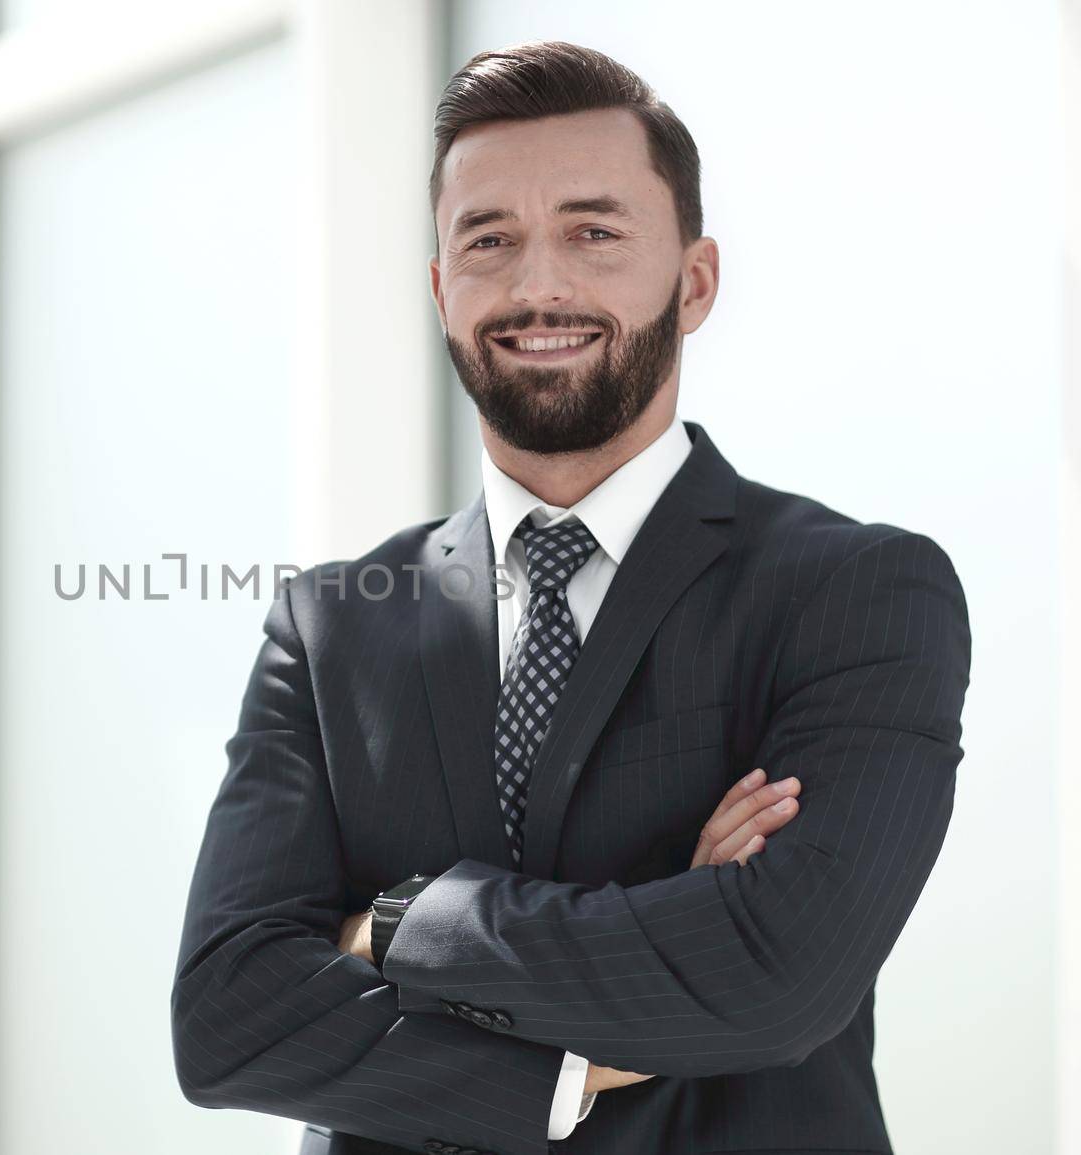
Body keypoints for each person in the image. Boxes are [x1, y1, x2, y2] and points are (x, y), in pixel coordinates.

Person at [171, 40, 970, 1155]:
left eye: (593, 233)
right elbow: (226, 1024)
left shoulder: (854, 593)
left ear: (692, 282)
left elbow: (779, 978)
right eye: (488, 240)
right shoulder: (331, 627)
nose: (538, 283)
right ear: (444, 289)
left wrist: (394, 925)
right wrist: (605, 1033)